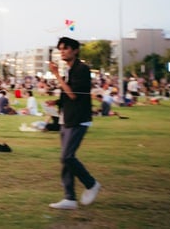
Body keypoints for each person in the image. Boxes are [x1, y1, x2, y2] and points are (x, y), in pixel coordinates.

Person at [47, 37, 101, 210]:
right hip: (67, 118)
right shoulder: (69, 70)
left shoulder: (82, 69)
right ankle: (69, 198)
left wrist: (56, 75)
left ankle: (91, 184)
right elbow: (67, 95)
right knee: (66, 160)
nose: (62, 51)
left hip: (78, 119)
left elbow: (74, 95)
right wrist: (55, 103)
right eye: (60, 49)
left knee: (67, 157)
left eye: (66, 48)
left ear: (75, 50)